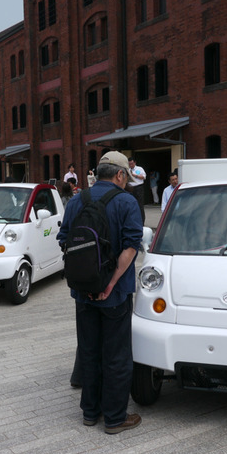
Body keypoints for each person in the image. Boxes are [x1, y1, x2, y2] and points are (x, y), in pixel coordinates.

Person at [57, 151, 143, 435]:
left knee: (90, 351)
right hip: (115, 295)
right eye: (125, 177)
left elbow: (64, 241)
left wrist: (86, 278)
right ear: (119, 174)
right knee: (116, 355)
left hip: (82, 293)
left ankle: (91, 413)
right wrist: (109, 284)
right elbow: (131, 247)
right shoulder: (126, 201)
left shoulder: (77, 201)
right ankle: (116, 417)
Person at [127, 157, 146, 224]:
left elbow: (143, 177)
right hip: (130, 188)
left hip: (138, 187)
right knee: (131, 204)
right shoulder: (128, 170)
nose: (131, 165)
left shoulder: (139, 169)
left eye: (132, 163)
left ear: (135, 162)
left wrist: (134, 175)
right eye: (129, 164)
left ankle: (142, 221)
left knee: (140, 205)